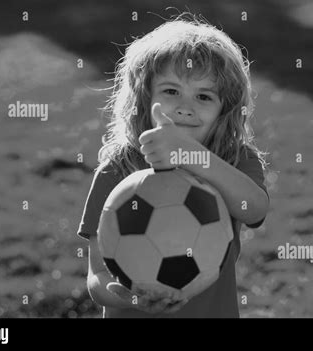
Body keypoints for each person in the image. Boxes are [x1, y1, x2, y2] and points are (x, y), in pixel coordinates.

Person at [77, 14, 270, 318]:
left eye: (204, 96)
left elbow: (255, 209)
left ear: (224, 111)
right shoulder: (119, 169)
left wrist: (192, 155)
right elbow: (97, 276)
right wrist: (129, 299)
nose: (185, 107)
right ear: (144, 98)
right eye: (171, 91)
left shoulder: (233, 160)